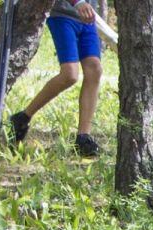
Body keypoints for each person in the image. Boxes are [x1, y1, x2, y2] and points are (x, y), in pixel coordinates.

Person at [8, 0, 104, 158]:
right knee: (70, 75)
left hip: (87, 17)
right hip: (63, 15)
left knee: (95, 69)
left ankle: (83, 138)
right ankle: (22, 118)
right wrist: (77, 2)